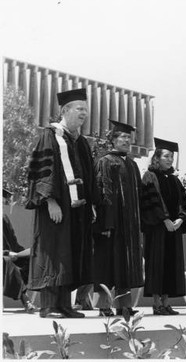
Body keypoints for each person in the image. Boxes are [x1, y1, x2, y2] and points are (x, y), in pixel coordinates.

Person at [25, 88, 97, 318]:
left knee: (70, 252)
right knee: (54, 252)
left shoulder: (81, 142)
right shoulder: (50, 136)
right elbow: (41, 171)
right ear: (65, 110)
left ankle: (65, 305)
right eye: (79, 109)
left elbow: (89, 177)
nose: (84, 113)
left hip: (76, 210)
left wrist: (92, 204)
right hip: (55, 208)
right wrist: (50, 201)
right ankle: (48, 306)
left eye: (85, 109)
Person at [93, 120, 144, 317]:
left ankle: (124, 306)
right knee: (106, 265)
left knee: (125, 266)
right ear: (113, 140)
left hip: (128, 227)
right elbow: (101, 193)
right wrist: (104, 223)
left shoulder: (131, 164)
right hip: (110, 224)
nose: (126, 140)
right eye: (122, 137)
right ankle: (104, 306)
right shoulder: (105, 161)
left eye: (128, 138)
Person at [141, 138, 186, 315]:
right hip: (157, 229)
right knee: (157, 265)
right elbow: (151, 201)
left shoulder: (174, 180)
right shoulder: (149, 176)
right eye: (166, 156)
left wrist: (180, 219)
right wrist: (165, 220)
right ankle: (157, 304)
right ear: (157, 157)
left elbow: (184, 204)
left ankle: (166, 302)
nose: (169, 159)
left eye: (171, 156)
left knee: (171, 265)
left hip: (173, 230)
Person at [3, 189, 37, 313]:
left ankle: (50, 301)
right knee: (8, 263)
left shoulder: (3, 218)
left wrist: (20, 253)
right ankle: (25, 299)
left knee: (31, 259)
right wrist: (6, 253)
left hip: (10, 254)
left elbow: (13, 242)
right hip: (4, 257)